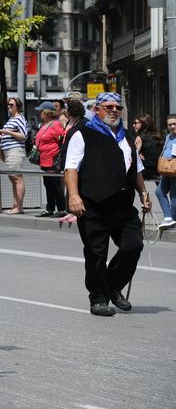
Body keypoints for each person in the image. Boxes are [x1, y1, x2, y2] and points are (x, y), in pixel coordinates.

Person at [63, 92, 151, 316]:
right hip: (93, 204)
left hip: (122, 205)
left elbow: (136, 169)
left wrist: (143, 192)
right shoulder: (83, 134)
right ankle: (98, 298)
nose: (114, 110)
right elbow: (71, 168)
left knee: (133, 246)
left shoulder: (126, 136)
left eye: (118, 107)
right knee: (96, 253)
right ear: (97, 110)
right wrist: (74, 196)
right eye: (109, 106)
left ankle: (112, 286)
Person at [32, 101, 66, 218]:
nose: (39, 113)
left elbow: (62, 140)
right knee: (48, 184)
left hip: (52, 159)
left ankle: (62, 209)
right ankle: (49, 208)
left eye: (41, 111)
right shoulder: (43, 125)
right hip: (44, 159)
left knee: (55, 184)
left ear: (47, 112)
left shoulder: (55, 124)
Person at [0, 97, 28, 214]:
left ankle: (19, 207)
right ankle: (15, 206)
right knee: (13, 178)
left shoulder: (20, 119)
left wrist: (7, 132)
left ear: (18, 107)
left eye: (11, 105)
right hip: (8, 152)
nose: (9, 107)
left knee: (17, 178)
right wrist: (2, 137)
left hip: (15, 151)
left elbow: (24, 135)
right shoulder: (11, 119)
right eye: (8, 105)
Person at [154, 114, 176, 231]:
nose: (172, 126)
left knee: (174, 195)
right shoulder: (168, 137)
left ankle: (172, 219)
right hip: (166, 170)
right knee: (159, 192)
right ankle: (169, 217)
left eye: (174, 124)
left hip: (175, 171)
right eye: (170, 124)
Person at [129, 114, 161, 182]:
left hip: (147, 170)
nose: (133, 125)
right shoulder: (157, 137)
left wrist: (139, 157)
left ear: (143, 124)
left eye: (135, 123)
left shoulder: (140, 138)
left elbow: (133, 157)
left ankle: (143, 192)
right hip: (158, 169)